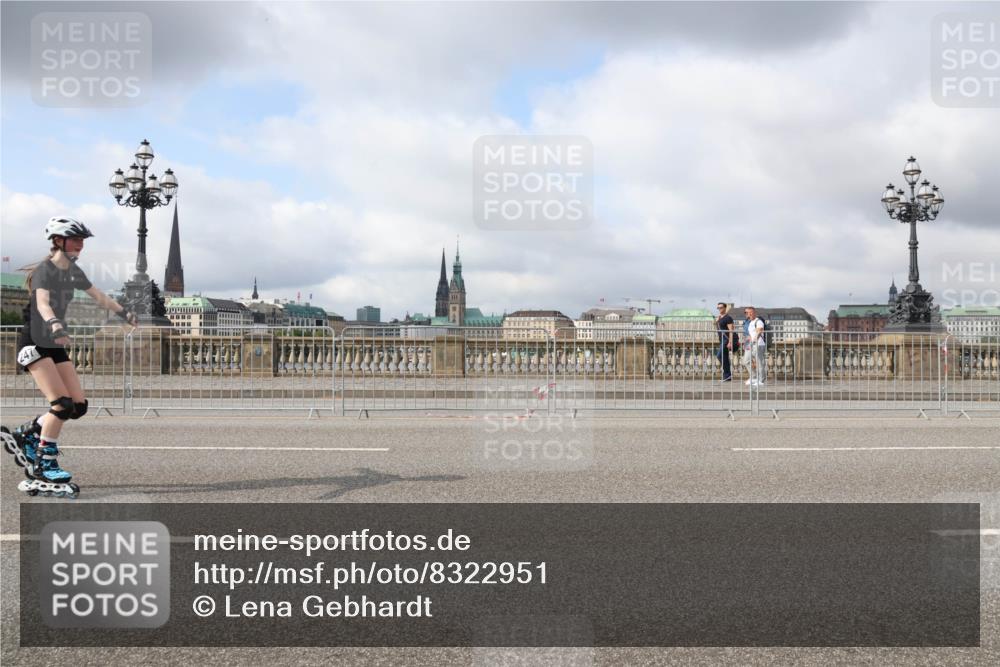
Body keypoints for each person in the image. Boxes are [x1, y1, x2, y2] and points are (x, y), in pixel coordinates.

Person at [6, 217, 137, 496]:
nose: (81, 244)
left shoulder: (73, 271)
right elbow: (42, 302)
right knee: (61, 405)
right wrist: (55, 323)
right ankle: (44, 465)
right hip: (35, 342)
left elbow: (97, 295)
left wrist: (123, 312)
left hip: (54, 345)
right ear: (58, 240)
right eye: (76, 239)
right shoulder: (46, 270)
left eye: (82, 240)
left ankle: (27, 434)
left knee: (77, 406)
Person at [742, 306, 766, 386]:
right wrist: (746, 343)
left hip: (758, 344)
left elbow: (759, 331)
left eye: (751, 312)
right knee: (746, 361)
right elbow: (750, 334)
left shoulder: (758, 321)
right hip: (750, 344)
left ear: (754, 313)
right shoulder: (750, 322)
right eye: (748, 313)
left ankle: (761, 380)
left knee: (760, 362)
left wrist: (755, 340)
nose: (749, 314)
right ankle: (754, 376)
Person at [714, 302, 736, 382]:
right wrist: (717, 320)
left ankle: (727, 374)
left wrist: (730, 342)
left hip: (726, 339)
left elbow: (731, 330)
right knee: (724, 356)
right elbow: (715, 324)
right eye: (718, 308)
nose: (719, 309)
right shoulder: (720, 317)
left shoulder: (728, 318)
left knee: (719, 356)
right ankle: (727, 376)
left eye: (721, 307)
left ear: (725, 308)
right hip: (722, 339)